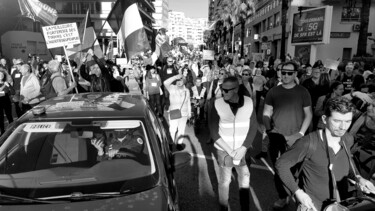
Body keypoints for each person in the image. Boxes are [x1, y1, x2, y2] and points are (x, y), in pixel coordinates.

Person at [275, 97, 375, 211]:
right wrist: (298, 192)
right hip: (312, 205)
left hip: (340, 204)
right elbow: (281, 164)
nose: (343, 127)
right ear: (324, 119)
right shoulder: (308, 143)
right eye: (337, 121)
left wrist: (359, 178)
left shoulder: (348, 139)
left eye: (348, 121)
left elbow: (347, 162)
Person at [263, 61, 313, 209]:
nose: (285, 75)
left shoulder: (303, 91)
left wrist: (300, 133)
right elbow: (266, 113)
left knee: (297, 170)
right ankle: (283, 197)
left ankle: (299, 195)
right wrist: (268, 129)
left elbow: (308, 115)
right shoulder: (273, 91)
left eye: (289, 73)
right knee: (279, 169)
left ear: (295, 74)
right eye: (283, 72)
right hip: (276, 137)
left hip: (297, 138)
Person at [208, 76, 258, 211]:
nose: (222, 92)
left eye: (226, 90)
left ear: (236, 89)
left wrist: (243, 148)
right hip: (225, 151)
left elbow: (253, 127)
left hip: (243, 151)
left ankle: (245, 208)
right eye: (221, 89)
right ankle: (223, 207)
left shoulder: (248, 102)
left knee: (245, 179)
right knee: (225, 181)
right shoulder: (217, 103)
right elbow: (213, 132)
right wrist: (230, 151)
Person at [164, 73, 191, 148]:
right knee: (172, 129)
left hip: (184, 113)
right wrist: (175, 77)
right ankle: (171, 143)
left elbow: (188, 101)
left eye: (181, 80)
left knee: (181, 130)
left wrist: (189, 113)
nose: (179, 81)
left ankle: (179, 143)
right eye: (177, 80)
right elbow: (165, 82)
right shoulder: (172, 88)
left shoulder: (187, 91)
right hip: (174, 112)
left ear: (184, 81)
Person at [0, 70, 14, 135]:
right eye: (0, 75)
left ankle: (13, 128)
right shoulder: (4, 84)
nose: (1, 76)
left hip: (6, 101)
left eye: (2, 75)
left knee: (9, 115)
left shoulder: (6, 83)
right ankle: (2, 131)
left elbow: (13, 92)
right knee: (1, 117)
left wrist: (8, 86)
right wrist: (4, 86)